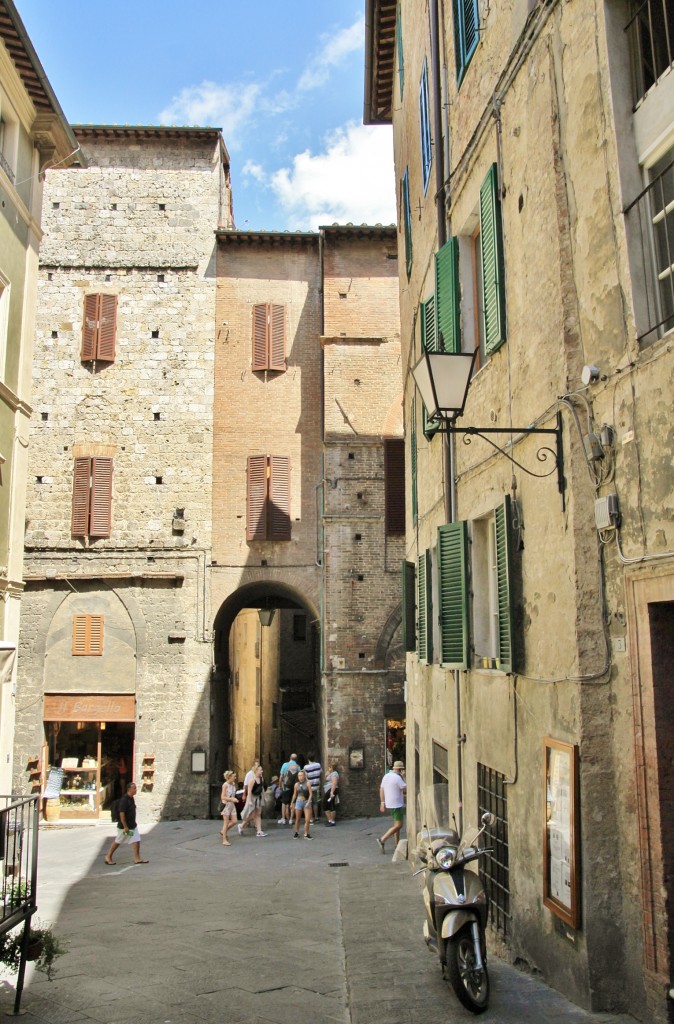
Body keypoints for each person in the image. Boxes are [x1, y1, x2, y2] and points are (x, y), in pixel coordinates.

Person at [105, 782, 148, 864]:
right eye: (134, 788)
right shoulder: (124, 800)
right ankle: (108, 856)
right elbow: (122, 813)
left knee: (136, 840)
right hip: (124, 827)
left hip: (132, 825)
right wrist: (125, 826)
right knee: (118, 841)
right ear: (129, 789)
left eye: (136, 788)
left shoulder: (131, 798)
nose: (136, 790)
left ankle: (137, 858)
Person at [377, 760, 407, 853]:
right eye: (402, 770)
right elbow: (406, 789)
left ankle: (396, 844)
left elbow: (381, 789)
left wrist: (382, 802)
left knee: (396, 825)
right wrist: (405, 777)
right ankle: (382, 840)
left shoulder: (386, 776)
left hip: (389, 804)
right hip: (396, 804)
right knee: (399, 825)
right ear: (400, 770)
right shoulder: (398, 778)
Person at [238, 764, 267, 837]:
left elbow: (262, 788)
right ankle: (241, 825)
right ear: (256, 771)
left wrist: (264, 796)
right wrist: (249, 800)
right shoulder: (252, 780)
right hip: (253, 797)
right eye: (260, 770)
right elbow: (249, 791)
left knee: (258, 814)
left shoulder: (261, 779)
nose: (262, 771)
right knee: (251, 815)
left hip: (259, 797)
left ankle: (259, 831)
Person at [277, 753, 300, 825]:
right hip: (294, 787)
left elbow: (281, 777)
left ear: (290, 758)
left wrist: (280, 785)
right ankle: (291, 819)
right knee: (293, 802)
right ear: (296, 759)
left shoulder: (285, 765)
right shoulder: (298, 767)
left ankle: (283, 818)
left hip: (286, 787)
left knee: (284, 803)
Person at [291, 770, 313, 839]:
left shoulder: (308, 783)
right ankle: (296, 832)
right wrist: (292, 802)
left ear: (304, 776)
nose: (300, 777)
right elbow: (294, 794)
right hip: (299, 801)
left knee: (307, 819)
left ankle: (306, 833)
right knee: (298, 819)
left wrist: (309, 802)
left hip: (306, 801)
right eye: (299, 776)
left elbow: (311, 794)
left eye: (301, 775)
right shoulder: (296, 785)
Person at [220, 770, 238, 846]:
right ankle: (224, 839)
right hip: (226, 805)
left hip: (232, 805)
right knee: (226, 822)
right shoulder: (225, 785)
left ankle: (223, 831)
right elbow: (222, 797)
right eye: (234, 776)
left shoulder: (233, 784)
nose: (235, 778)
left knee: (234, 821)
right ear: (229, 777)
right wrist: (231, 799)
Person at [303, 753, 322, 822]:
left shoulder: (306, 767)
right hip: (316, 786)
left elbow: (305, 776)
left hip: (309, 786)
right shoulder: (318, 765)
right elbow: (320, 772)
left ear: (308, 759)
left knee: (309, 802)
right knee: (315, 802)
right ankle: (316, 817)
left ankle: (311, 818)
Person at [323, 762, 339, 826]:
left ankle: (332, 821)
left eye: (330, 767)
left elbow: (334, 783)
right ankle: (330, 820)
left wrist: (331, 792)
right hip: (328, 790)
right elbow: (326, 780)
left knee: (328, 804)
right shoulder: (331, 773)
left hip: (331, 790)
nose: (328, 768)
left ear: (333, 768)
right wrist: (326, 774)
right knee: (328, 804)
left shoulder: (334, 774)